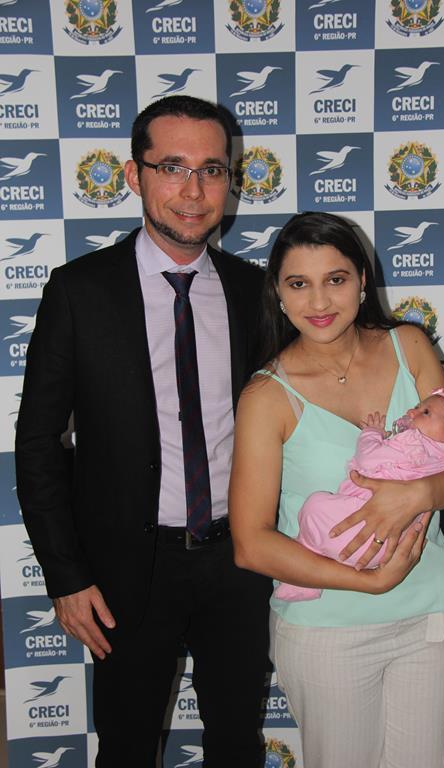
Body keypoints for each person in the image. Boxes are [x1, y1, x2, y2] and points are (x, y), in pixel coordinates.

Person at [15, 95, 272, 768]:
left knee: (237, 745)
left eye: (212, 170)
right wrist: (65, 576)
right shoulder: (79, 291)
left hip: (240, 559)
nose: (193, 190)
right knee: (126, 749)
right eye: (172, 167)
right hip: (126, 570)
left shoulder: (256, 292)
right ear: (134, 175)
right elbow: (39, 441)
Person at [229, 212, 444, 768]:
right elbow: (250, 544)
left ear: (363, 281)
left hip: (425, 615)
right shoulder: (266, 397)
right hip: (328, 630)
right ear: (278, 293)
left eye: (336, 279)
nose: (320, 301)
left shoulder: (409, 346)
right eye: (299, 283)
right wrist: (367, 581)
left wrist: (419, 495)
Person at [275, 388, 444, 601]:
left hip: (360, 527)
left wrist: (371, 433)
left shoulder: (414, 444)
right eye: (417, 407)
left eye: (426, 412)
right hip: (389, 548)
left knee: (315, 506)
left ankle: (304, 574)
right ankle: (307, 571)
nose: (412, 412)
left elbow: (369, 459)